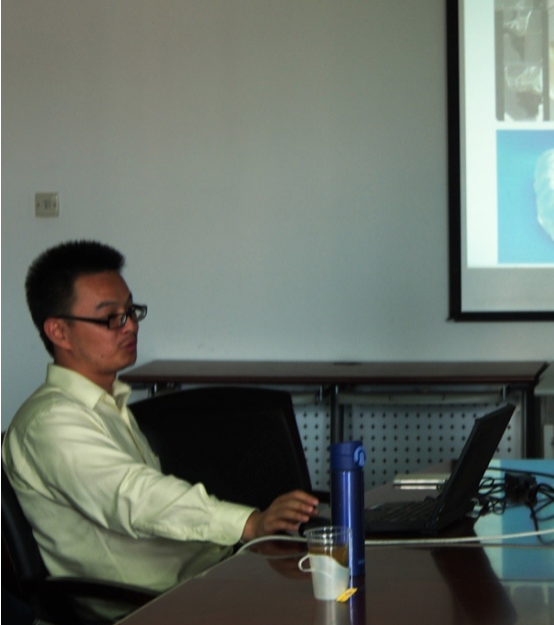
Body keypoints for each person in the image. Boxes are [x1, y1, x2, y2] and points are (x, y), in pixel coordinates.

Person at [2, 240, 319, 603]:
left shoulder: (107, 403)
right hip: (144, 604)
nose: (130, 327)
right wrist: (249, 524)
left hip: (200, 575)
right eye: (111, 318)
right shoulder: (51, 423)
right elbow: (135, 497)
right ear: (59, 332)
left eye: (131, 311)